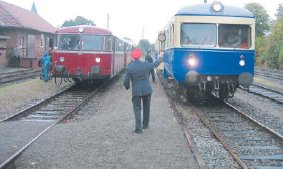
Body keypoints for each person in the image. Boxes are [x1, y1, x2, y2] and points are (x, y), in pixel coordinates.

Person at [124, 48, 164, 133]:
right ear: (140, 56)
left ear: (132, 57)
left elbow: (125, 81)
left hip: (136, 91)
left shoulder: (129, 67)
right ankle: (145, 124)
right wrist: (160, 56)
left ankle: (138, 128)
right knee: (146, 107)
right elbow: (156, 64)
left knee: (137, 108)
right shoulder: (146, 64)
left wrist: (127, 87)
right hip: (147, 89)